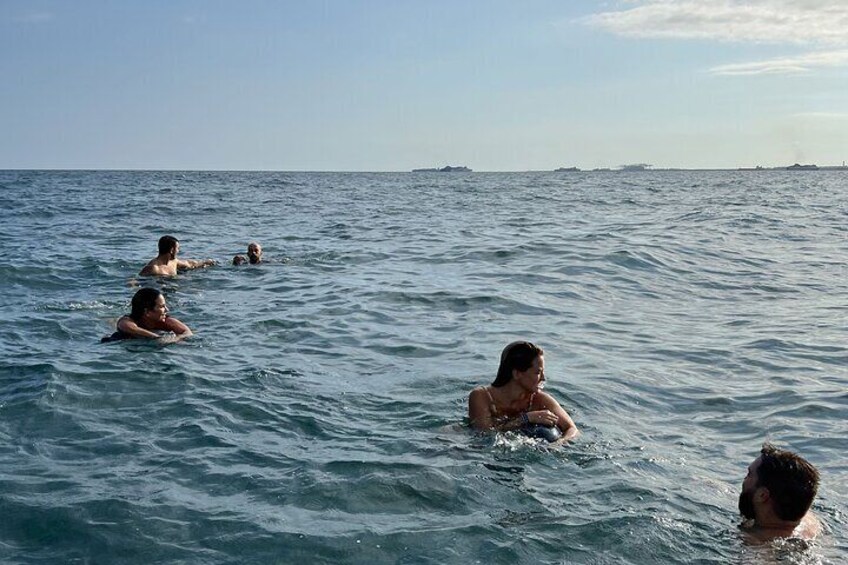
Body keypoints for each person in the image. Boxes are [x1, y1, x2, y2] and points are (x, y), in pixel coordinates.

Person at [468, 341, 579, 442]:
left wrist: (559, 444)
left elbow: (572, 429)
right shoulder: (481, 396)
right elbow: (484, 433)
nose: (543, 378)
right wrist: (526, 418)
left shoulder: (540, 399)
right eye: (538, 373)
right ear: (517, 374)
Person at [738, 442, 821, 543]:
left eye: (749, 474)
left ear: (762, 495)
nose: (744, 479)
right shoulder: (810, 522)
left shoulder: (755, 542)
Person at [101, 288, 192, 343]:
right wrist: (158, 338)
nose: (167, 310)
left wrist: (175, 339)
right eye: (162, 307)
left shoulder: (167, 321)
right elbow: (126, 327)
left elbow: (188, 333)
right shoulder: (127, 322)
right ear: (147, 312)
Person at [139, 235, 216, 276]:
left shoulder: (174, 262)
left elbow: (190, 264)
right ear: (172, 250)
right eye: (178, 248)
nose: (178, 251)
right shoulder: (153, 268)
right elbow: (137, 280)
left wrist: (205, 262)